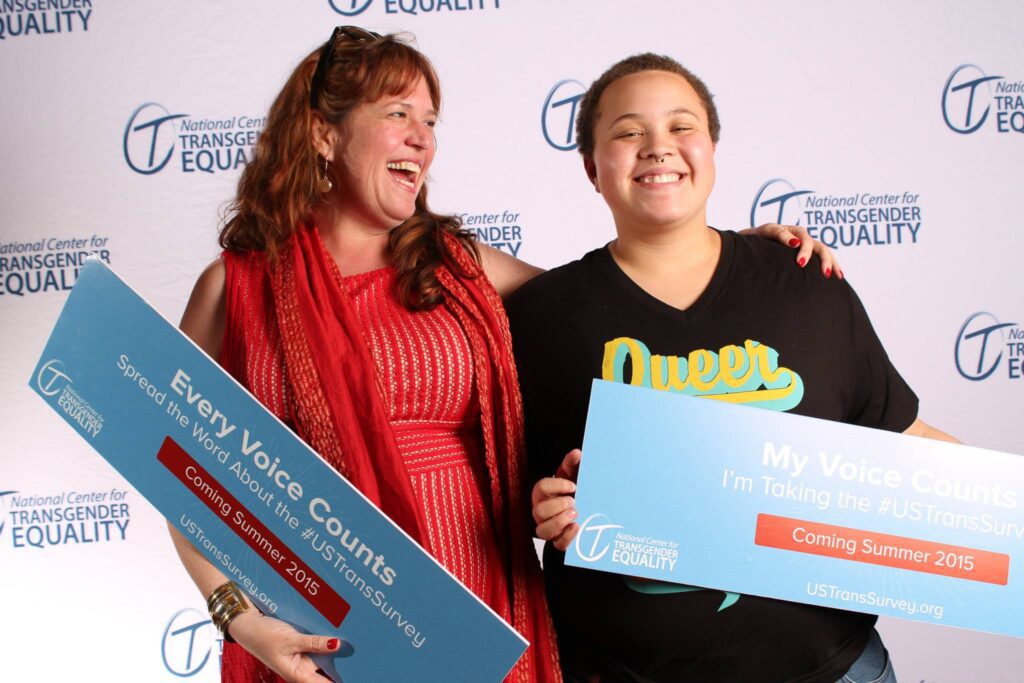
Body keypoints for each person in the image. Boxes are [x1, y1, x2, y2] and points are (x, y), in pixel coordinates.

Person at [170, 29, 835, 683]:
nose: (422, 137)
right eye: (398, 113)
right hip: (316, 628)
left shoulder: (456, 266)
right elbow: (176, 475)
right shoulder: (235, 288)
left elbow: (615, 304)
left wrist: (726, 254)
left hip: (484, 606)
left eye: (430, 120)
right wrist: (240, 617)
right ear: (323, 133)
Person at [509, 53, 957, 683]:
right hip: (623, 670)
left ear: (713, 149)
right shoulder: (541, 318)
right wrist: (547, 508)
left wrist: (1007, 516)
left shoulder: (806, 283)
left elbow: (899, 436)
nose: (657, 147)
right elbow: (521, 497)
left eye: (681, 126)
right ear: (591, 168)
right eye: (628, 132)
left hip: (833, 667)